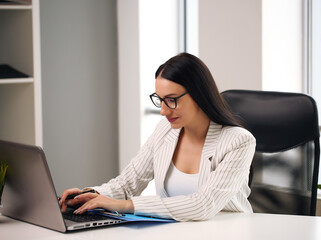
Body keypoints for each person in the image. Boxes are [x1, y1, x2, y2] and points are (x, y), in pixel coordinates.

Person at [59, 53, 256, 221]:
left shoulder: (238, 141)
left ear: (199, 94)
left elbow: (203, 204)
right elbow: (127, 184)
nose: (163, 111)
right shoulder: (166, 131)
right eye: (160, 100)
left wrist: (125, 205)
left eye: (171, 100)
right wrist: (91, 194)